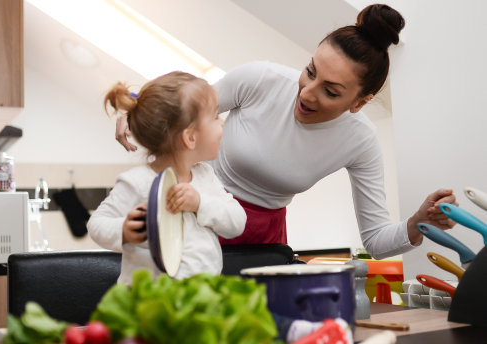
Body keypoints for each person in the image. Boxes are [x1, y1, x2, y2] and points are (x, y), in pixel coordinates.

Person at [113, 4, 457, 259]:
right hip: (193, 212)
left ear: (360, 102)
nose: (306, 92)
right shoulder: (260, 79)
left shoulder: (360, 141)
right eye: (310, 71)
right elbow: (181, 108)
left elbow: (377, 241)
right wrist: (136, 105)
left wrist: (416, 222)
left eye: (331, 91)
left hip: (263, 242)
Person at [88, 71, 246, 284]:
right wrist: (124, 230)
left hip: (199, 298)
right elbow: (96, 224)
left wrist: (200, 203)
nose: (222, 123)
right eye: (215, 116)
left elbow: (237, 222)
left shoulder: (205, 176)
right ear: (190, 137)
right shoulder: (138, 181)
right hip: (148, 303)